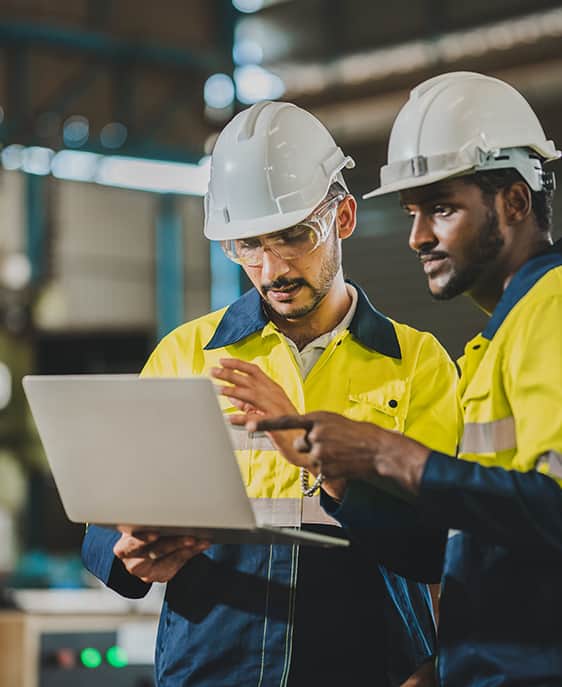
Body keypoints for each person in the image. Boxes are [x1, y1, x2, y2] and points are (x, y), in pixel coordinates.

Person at [81, 100, 460, 687]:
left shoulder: (418, 363)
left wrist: (323, 458)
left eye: (292, 236)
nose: (272, 267)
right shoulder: (187, 354)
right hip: (210, 671)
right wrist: (125, 553)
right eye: (247, 246)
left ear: (344, 217)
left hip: (368, 670)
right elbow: (104, 526)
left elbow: (436, 543)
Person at [254, 72, 562, 686]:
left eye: (442, 208)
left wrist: (386, 453)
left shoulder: (552, 307)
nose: (418, 237)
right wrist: (338, 477)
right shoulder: (490, 343)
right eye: (413, 212)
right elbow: (461, 543)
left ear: (515, 201)